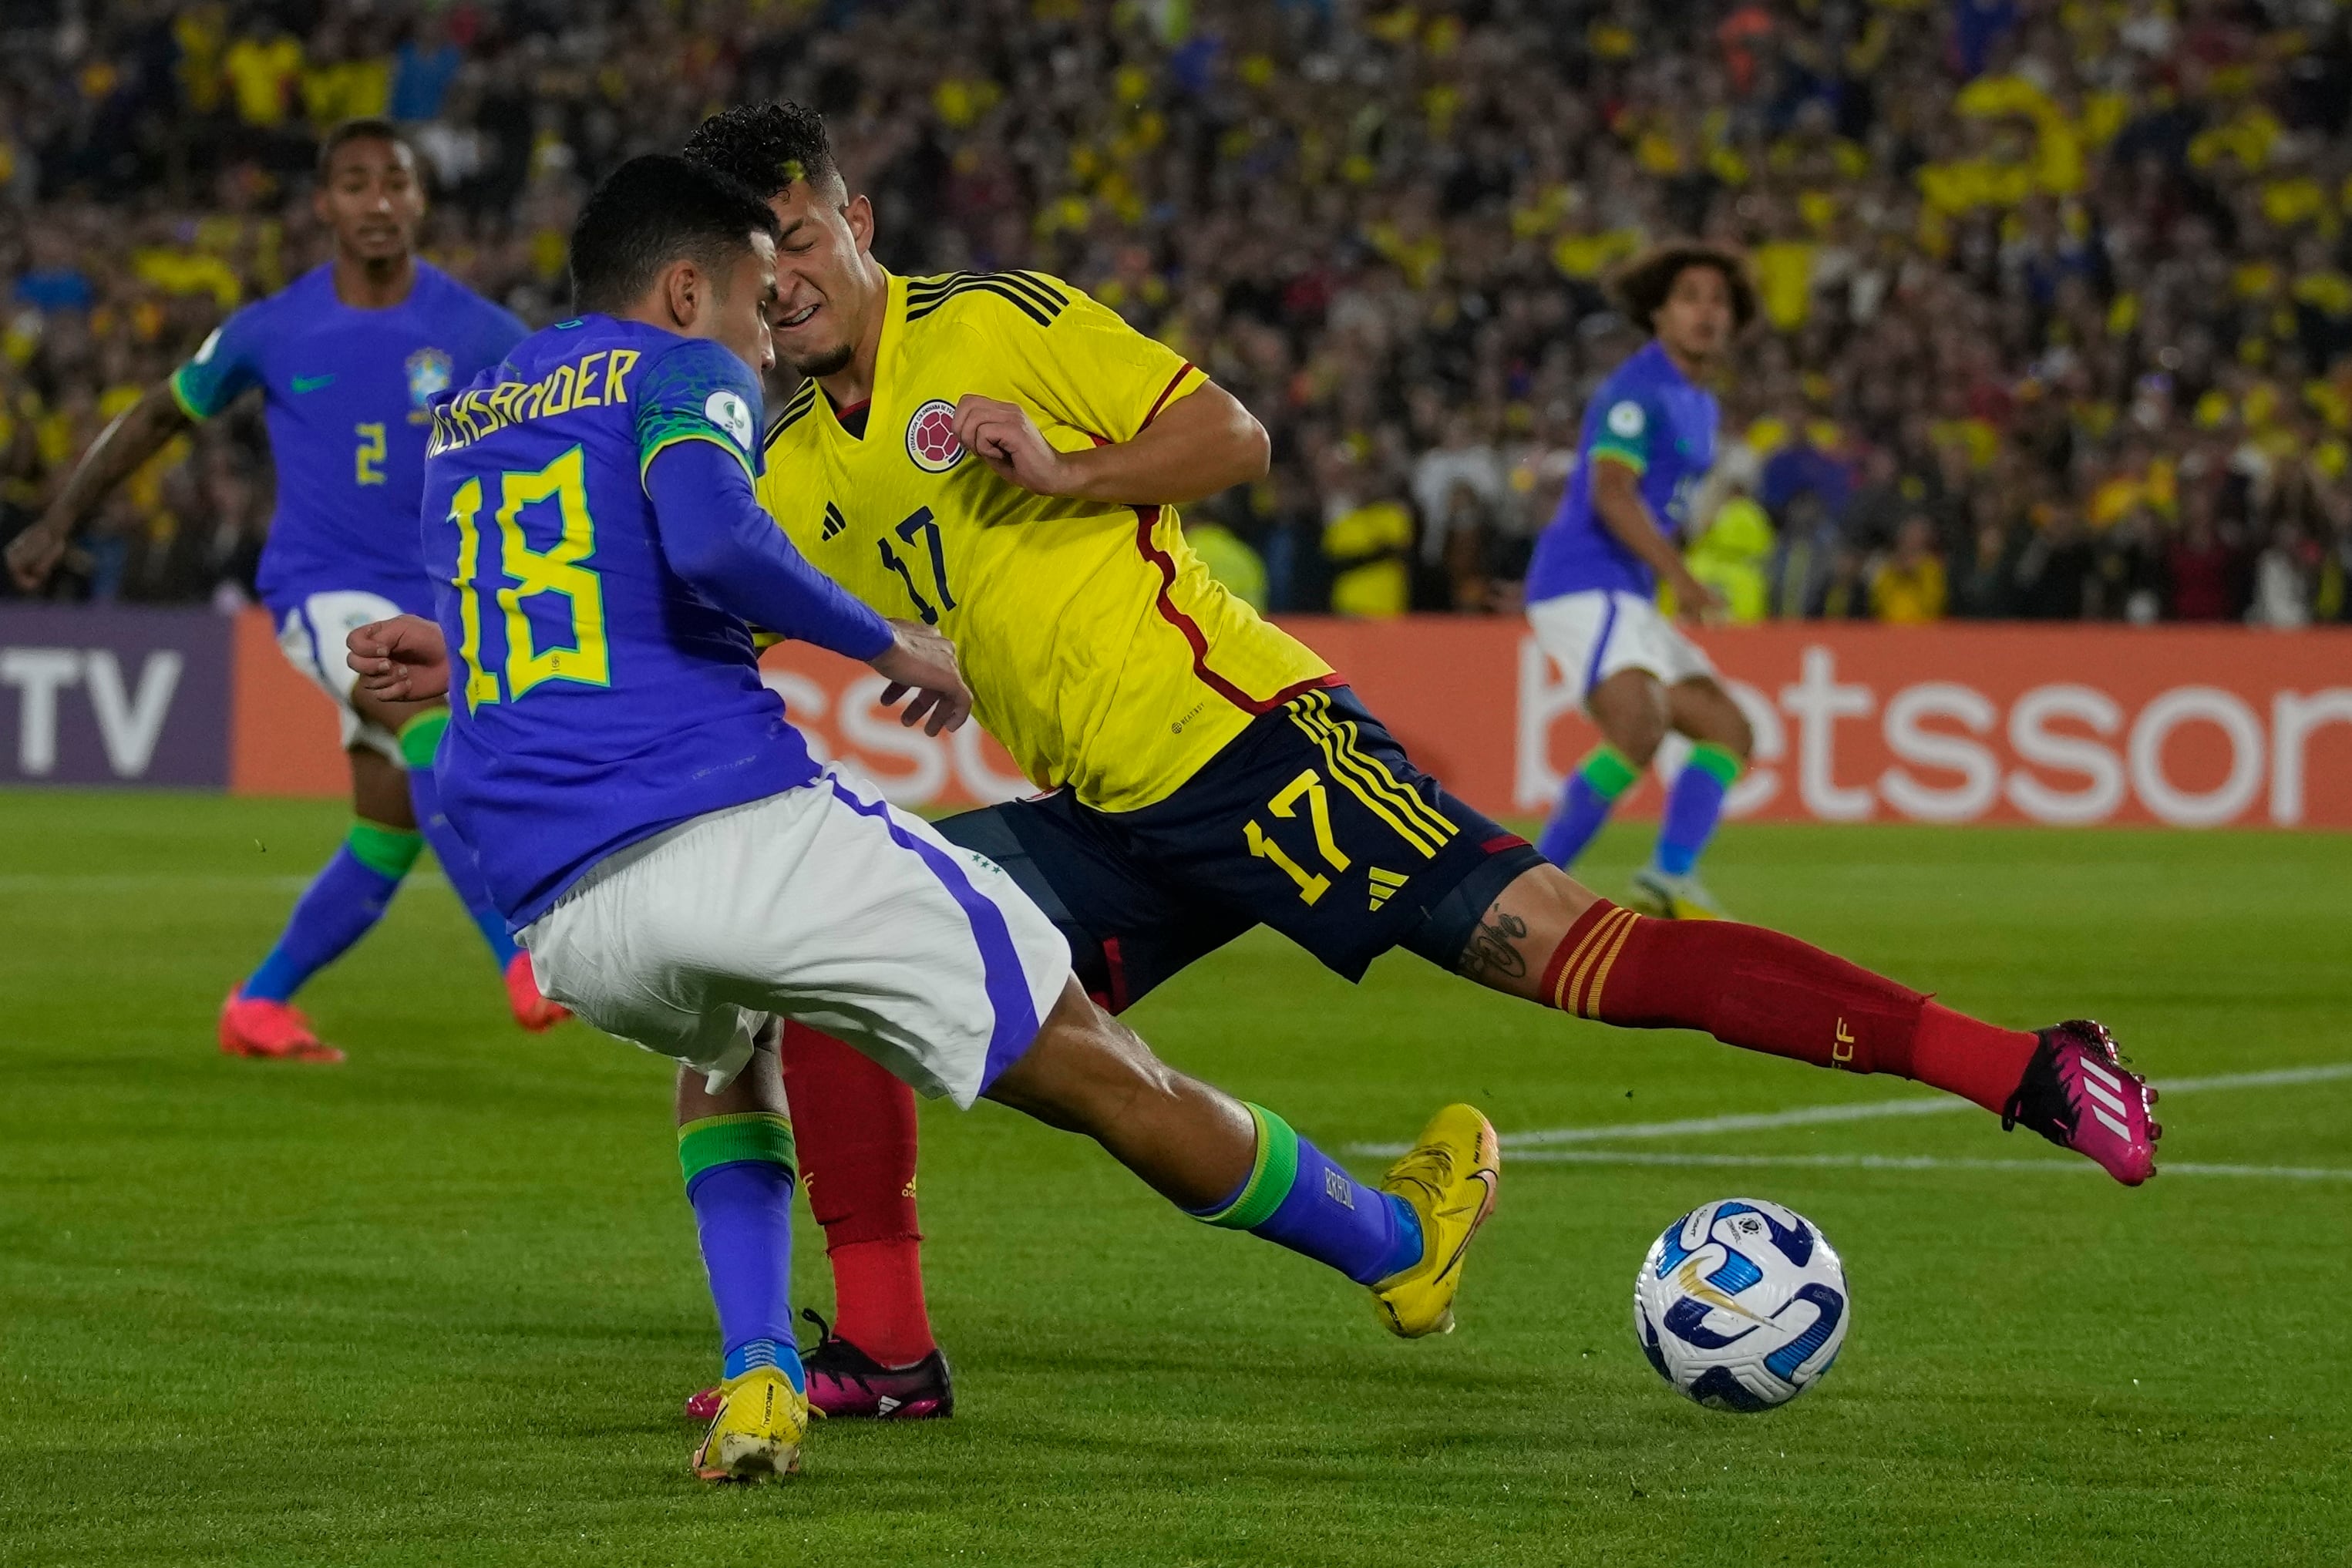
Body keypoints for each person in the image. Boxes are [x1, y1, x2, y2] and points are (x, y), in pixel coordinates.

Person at [675, 103, 2161, 1420]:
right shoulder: (795, 464)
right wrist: (920, 655)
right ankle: (895, 1347)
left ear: (857, 221)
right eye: (755, 260)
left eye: (799, 236)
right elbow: (746, 612)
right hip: (1107, 818)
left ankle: (2023, 1065)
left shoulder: (995, 321)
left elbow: (1230, 437)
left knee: (1590, 956)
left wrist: (1076, 468)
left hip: (1258, 747)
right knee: (847, 961)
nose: (783, 278)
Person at [352, 152, 1502, 1482]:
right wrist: (892, 639)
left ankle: (762, 1371)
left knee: (728, 1052)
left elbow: (563, 593)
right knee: (1084, 1052)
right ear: (682, 290)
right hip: (732, 830)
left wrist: (457, 655)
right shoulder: (680, 368)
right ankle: (1395, 1245)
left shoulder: (477, 409)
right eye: (751, 298)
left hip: (564, 910)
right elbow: (713, 541)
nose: (765, 333)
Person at [5, 119, 554, 1062]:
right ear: (324, 204)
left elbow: (565, 436)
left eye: (396, 182)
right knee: (425, 724)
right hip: (320, 591)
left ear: (421, 199)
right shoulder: (272, 328)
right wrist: (62, 520)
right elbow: (158, 417)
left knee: (388, 830)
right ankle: (522, 956)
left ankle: (257, 1005)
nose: (378, 201)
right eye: (356, 183)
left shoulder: (480, 331)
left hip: (436, 603)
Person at [1522, 243, 1758, 920]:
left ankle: (1668, 877)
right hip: (1583, 579)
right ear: (1658, 313)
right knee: (1638, 725)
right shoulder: (1636, 390)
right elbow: (1611, 493)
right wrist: (1681, 577)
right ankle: (1528, 893)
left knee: (1727, 729)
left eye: (1718, 300)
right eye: (1689, 298)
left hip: (1625, 589)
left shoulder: (1699, 402)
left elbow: (1661, 502)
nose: (1706, 313)